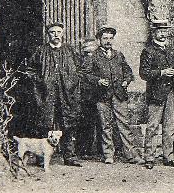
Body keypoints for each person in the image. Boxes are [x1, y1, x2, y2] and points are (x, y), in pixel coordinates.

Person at [26, 22, 83, 167]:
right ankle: (41, 157)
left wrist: (73, 82)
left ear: (63, 33)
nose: (56, 35)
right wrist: (41, 82)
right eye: (52, 32)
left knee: (68, 124)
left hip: (66, 94)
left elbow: (81, 69)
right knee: (44, 124)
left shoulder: (70, 50)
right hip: (47, 94)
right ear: (48, 34)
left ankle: (69, 156)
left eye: (59, 32)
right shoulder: (41, 51)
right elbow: (30, 70)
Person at [84, 25, 143, 165]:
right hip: (102, 96)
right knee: (106, 126)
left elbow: (128, 71)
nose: (108, 41)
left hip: (119, 95)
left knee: (124, 125)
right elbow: (84, 74)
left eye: (111, 38)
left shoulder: (119, 55)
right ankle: (108, 154)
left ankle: (132, 155)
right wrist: (98, 80)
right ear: (99, 40)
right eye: (105, 38)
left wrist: (126, 81)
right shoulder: (93, 56)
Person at [139, 19, 174, 169]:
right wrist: (162, 72)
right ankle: (149, 158)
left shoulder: (171, 51)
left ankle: (168, 157)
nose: (163, 34)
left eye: (165, 31)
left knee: (170, 126)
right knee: (152, 127)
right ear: (154, 33)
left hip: (171, 92)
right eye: (160, 31)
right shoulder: (148, 51)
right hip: (156, 93)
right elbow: (143, 73)